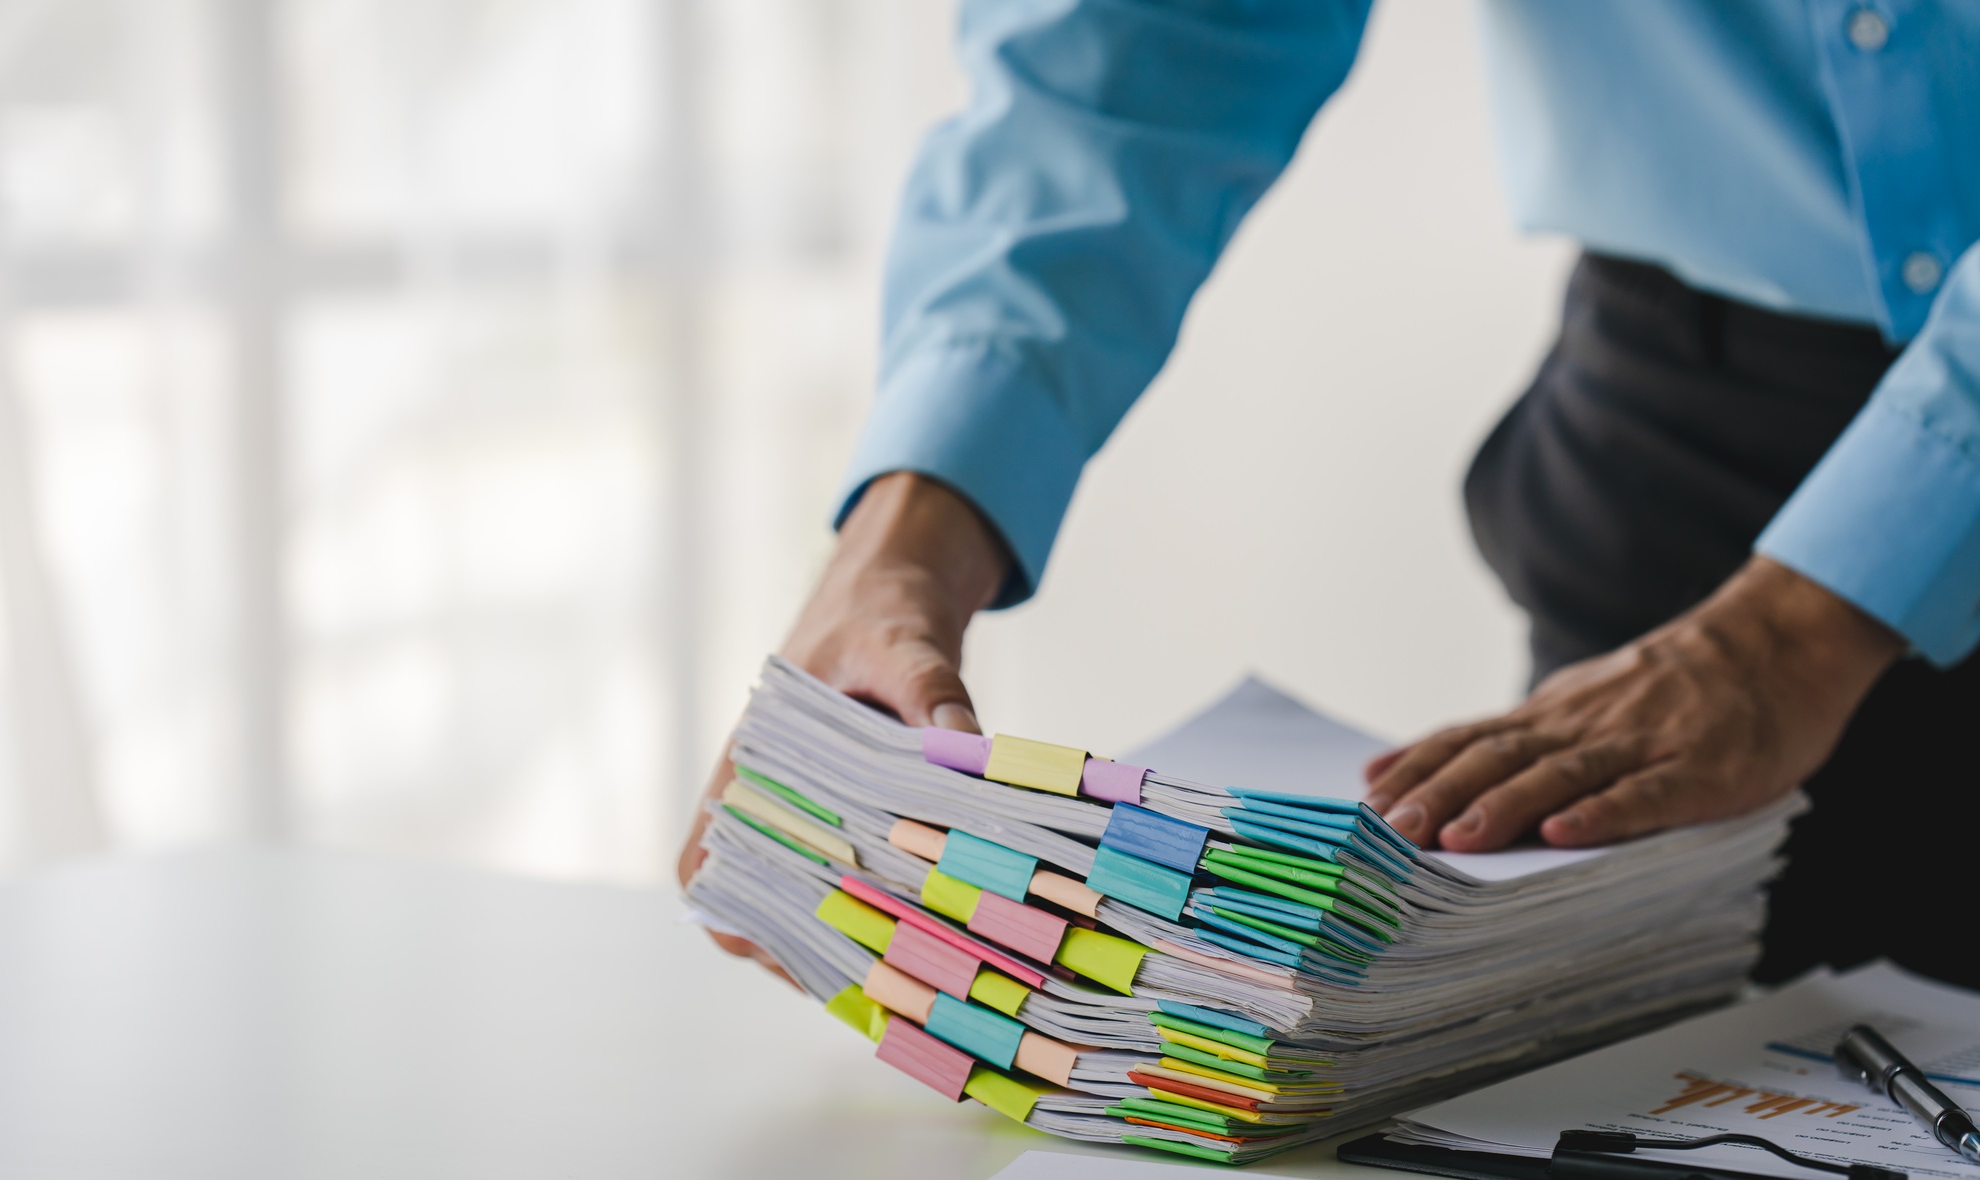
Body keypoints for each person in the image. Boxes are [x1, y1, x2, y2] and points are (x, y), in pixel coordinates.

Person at [681, 2, 1980, 989]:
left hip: (1769, 588)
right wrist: (913, 521)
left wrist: (1800, 626)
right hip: (1691, 452)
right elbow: (1152, 32)